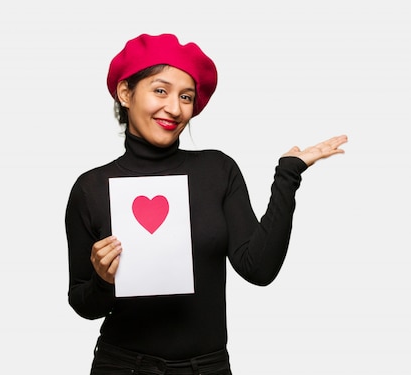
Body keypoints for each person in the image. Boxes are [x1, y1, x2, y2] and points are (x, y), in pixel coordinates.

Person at [65, 33, 347, 375]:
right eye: (160, 90)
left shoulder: (218, 170)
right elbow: (83, 304)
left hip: (207, 367)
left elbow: (258, 269)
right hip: (123, 366)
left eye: (186, 96)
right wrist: (102, 280)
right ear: (126, 93)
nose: (174, 108)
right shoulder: (91, 188)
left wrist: (288, 176)